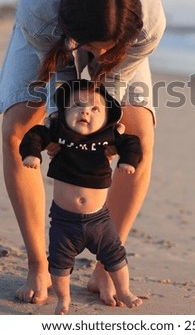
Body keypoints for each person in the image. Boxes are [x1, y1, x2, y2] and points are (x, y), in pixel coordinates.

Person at [0, 0, 166, 306]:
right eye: (94, 47)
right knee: (18, 132)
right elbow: (62, 90)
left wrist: (104, 135)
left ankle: (106, 267)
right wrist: (62, 131)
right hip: (50, 35)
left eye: (107, 49)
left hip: (128, 39)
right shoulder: (40, 15)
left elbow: (109, 97)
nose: (99, 56)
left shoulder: (147, 27)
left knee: (138, 137)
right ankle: (37, 264)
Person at [19, 79, 143, 314]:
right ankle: (63, 299)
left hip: (100, 221)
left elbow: (133, 143)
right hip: (64, 222)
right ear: (64, 113)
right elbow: (34, 136)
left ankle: (124, 290)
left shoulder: (109, 135)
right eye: (77, 105)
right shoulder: (58, 130)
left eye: (95, 108)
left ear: (107, 118)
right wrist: (32, 154)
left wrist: (128, 160)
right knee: (59, 265)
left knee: (116, 257)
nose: (85, 111)